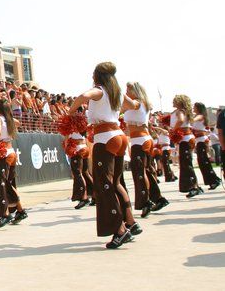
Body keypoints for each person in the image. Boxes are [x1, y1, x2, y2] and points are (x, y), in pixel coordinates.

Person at [68, 62, 139, 249]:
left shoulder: (99, 90)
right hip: (119, 136)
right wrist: (141, 103)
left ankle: (120, 230)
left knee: (104, 185)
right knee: (115, 183)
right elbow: (134, 105)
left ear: (98, 75)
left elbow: (84, 96)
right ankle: (130, 221)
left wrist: (70, 111)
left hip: (105, 137)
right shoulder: (116, 91)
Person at [123, 82, 168, 218]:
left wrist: (118, 94)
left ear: (134, 91)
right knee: (146, 170)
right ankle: (158, 198)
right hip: (143, 139)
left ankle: (145, 201)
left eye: (128, 89)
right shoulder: (142, 103)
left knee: (139, 172)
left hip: (140, 140)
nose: (126, 91)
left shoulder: (137, 103)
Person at [0, 99, 27, 227]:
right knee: (8, 183)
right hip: (11, 152)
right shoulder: (8, 119)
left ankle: (5, 214)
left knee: (1, 185)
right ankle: (20, 211)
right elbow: (18, 123)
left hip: (4, 154)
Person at [170, 95, 202, 198]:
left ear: (179, 102)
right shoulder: (184, 111)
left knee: (186, 163)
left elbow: (180, 120)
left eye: (175, 100)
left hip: (185, 139)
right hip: (187, 138)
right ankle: (194, 185)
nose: (173, 102)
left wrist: (173, 130)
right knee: (186, 162)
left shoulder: (180, 111)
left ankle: (194, 187)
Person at [193, 102, 221, 189]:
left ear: (199, 108)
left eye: (194, 107)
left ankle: (214, 180)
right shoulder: (197, 116)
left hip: (202, 141)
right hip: (199, 141)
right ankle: (213, 180)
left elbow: (193, 121)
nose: (193, 108)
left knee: (204, 161)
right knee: (202, 162)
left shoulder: (200, 116)